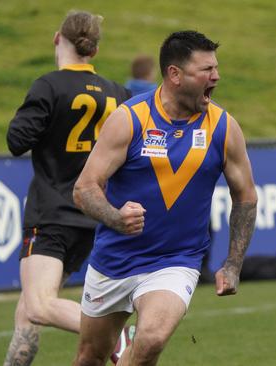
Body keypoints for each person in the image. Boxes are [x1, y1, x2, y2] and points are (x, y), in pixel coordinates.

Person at [72, 30, 257, 365]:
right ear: (174, 75)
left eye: (215, 68)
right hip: (115, 259)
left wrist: (232, 264)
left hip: (176, 261)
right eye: (206, 70)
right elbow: (84, 189)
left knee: (152, 339)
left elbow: (245, 196)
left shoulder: (224, 127)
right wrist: (116, 217)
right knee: (90, 357)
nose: (216, 76)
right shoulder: (130, 119)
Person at [4, 10, 131, 366]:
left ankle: (115, 336)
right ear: (94, 49)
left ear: (57, 38)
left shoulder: (49, 85)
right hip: (93, 215)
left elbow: (17, 140)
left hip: (51, 214)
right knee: (28, 309)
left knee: (39, 305)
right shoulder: (116, 92)